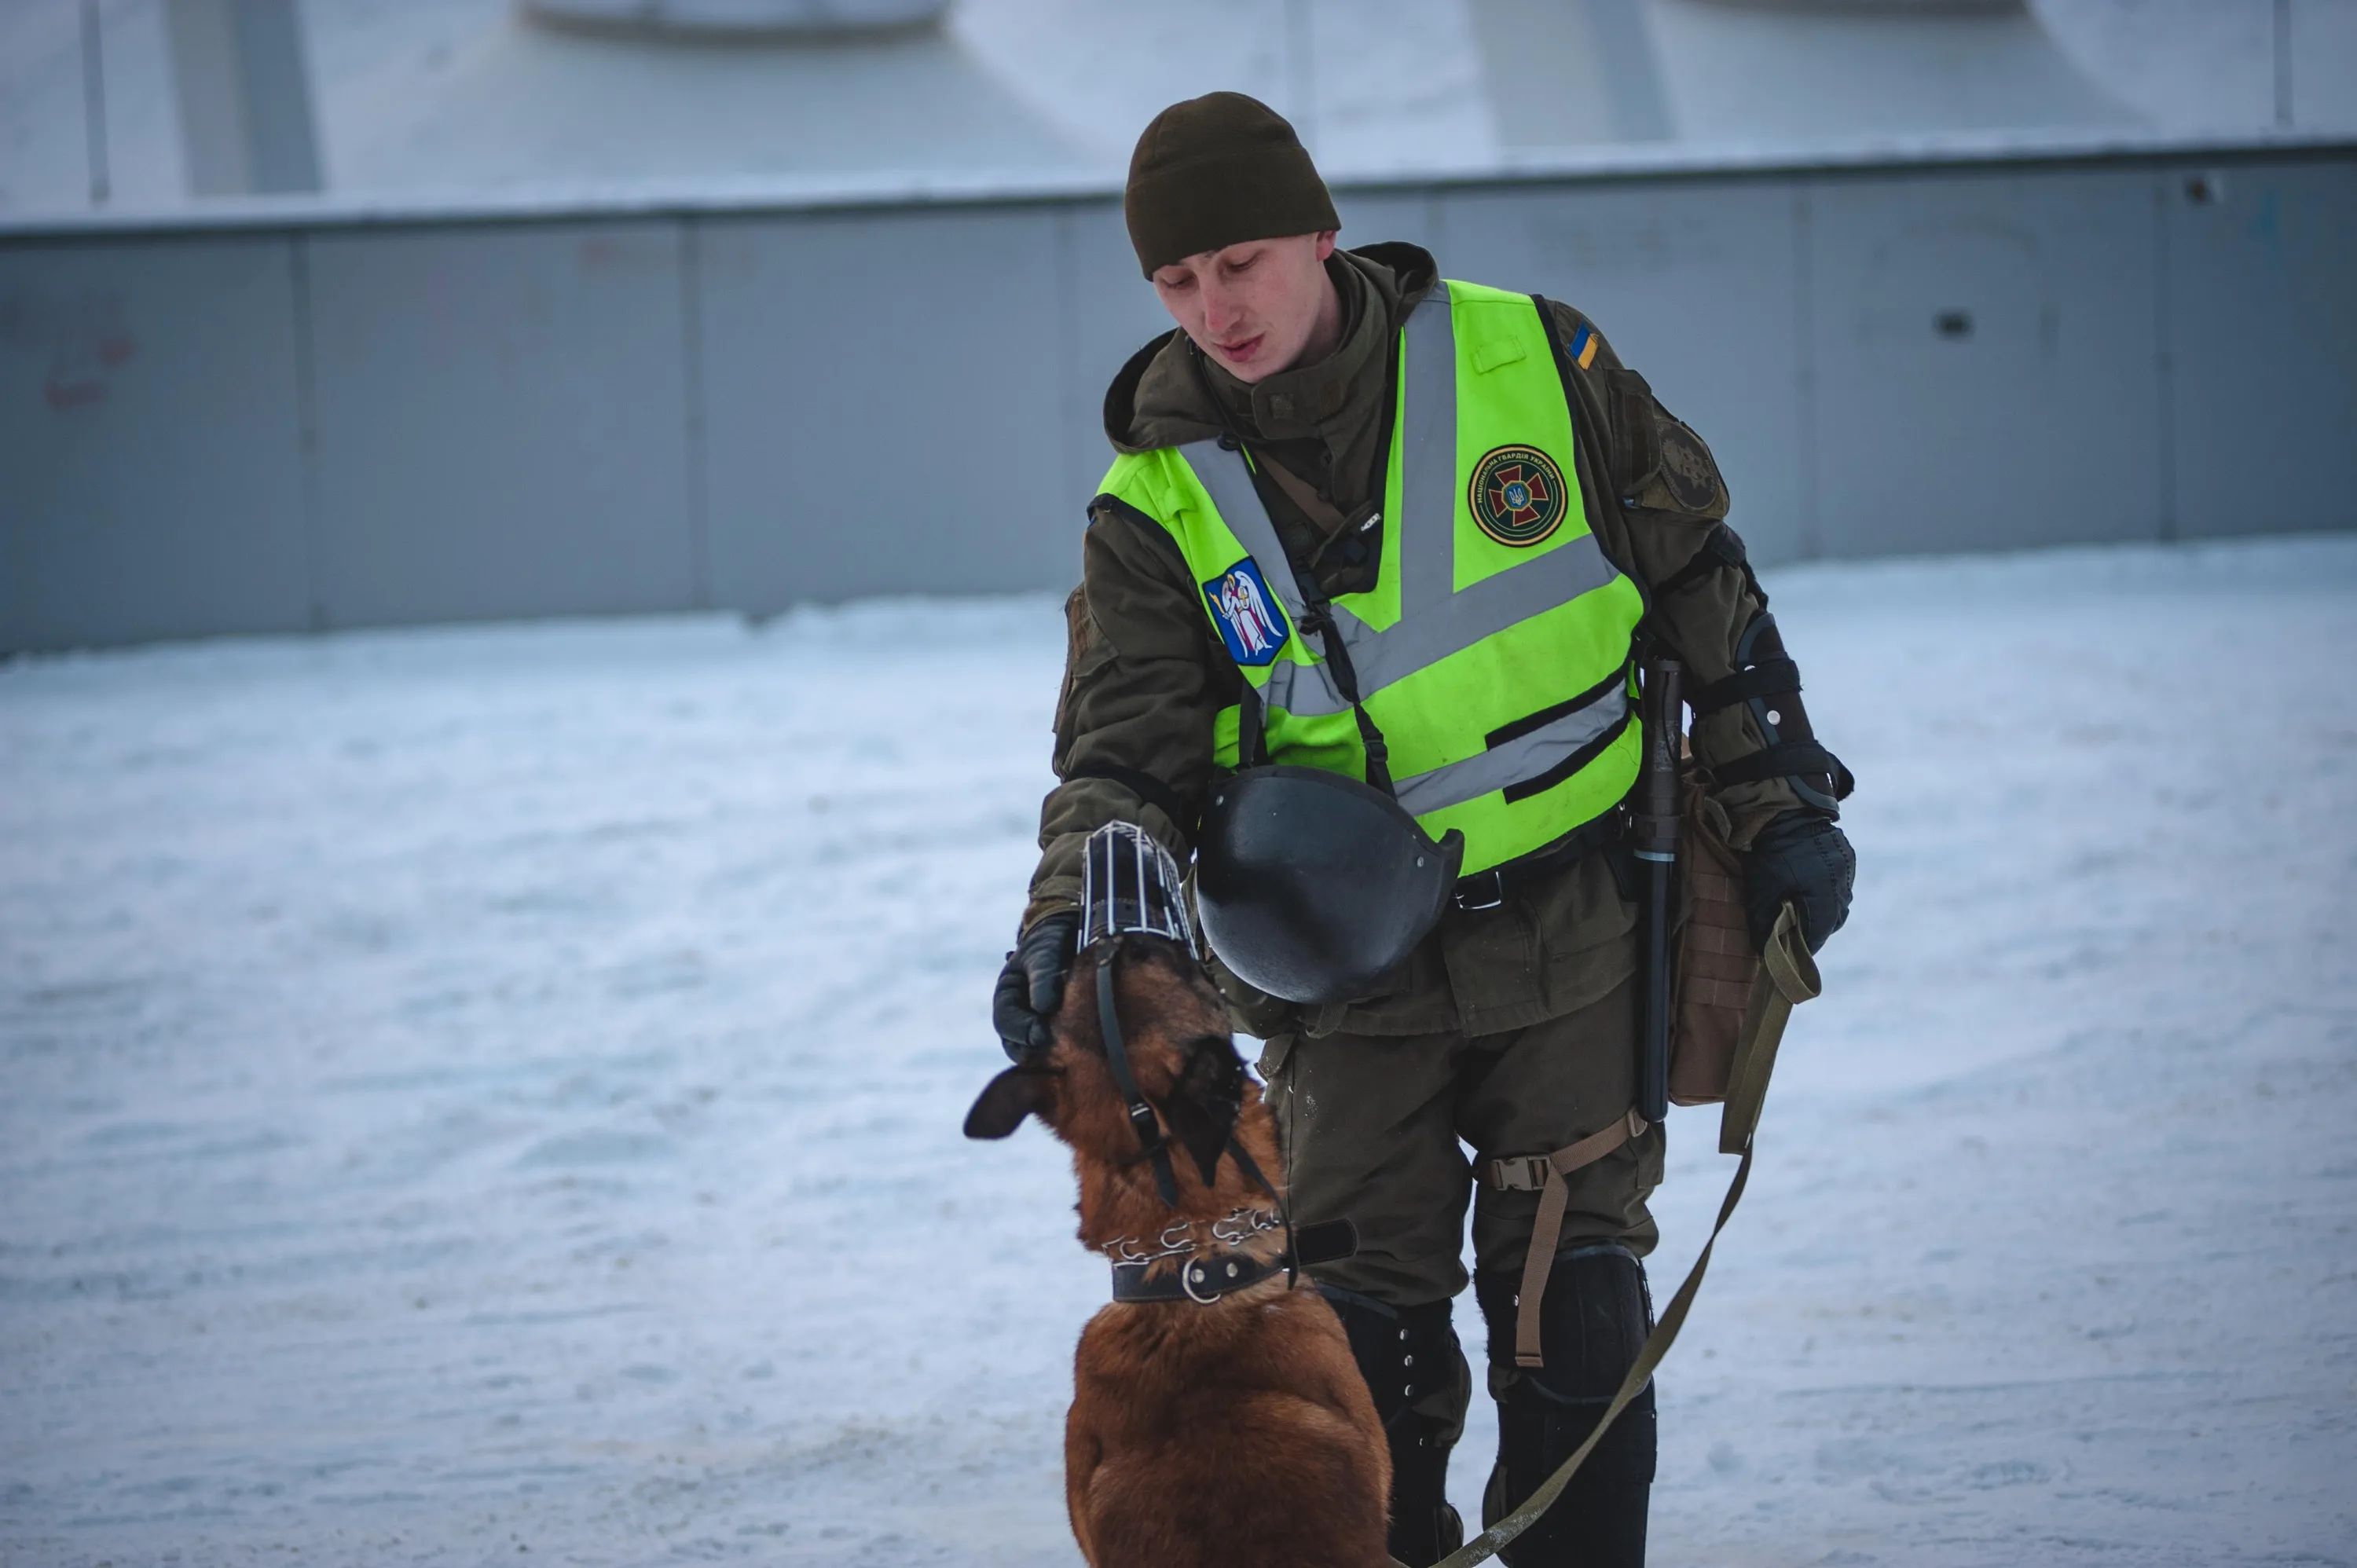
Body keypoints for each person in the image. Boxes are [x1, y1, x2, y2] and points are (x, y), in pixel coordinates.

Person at [992, 92, 1854, 1567]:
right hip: (1333, 973)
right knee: (1357, 1332)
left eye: (1242, 262)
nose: (1216, 309)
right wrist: (1069, 918)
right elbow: (1121, 755)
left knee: (1574, 1306)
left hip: (1578, 924)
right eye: (1178, 281)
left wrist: (1778, 793)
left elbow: (1699, 582)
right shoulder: (1154, 501)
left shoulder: (1535, 360)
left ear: (1322, 234)